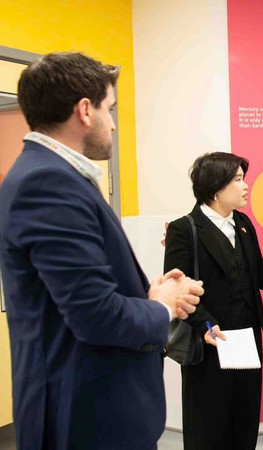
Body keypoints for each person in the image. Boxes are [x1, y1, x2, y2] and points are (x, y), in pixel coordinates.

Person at [0, 52, 204, 449]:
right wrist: (160, 307)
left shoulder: (52, 176)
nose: (112, 124)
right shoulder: (47, 182)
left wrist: (154, 295)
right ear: (84, 110)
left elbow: (75, 295)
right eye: (110, 109)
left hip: (92, 407)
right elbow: (93, 315)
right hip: (85, 416)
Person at [163, 152, 263, 449]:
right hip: (210, 340)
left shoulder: (242, 223)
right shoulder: (184, 229)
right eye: (238, 179)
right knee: (209, 423)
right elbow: (178, 291)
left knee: (244, 416)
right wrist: (207, 325)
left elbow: (257, 270)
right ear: (216, 188)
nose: (245, 186)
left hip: (247, 337)